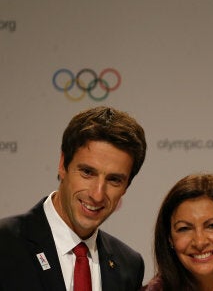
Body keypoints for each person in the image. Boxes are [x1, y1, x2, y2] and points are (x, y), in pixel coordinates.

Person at [0, 106, 147, 290]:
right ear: (63, 165)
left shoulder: (129, 266)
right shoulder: (5, 244)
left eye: (114, 180)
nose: (97, 194)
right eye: (87, 172)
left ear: (126, 187)